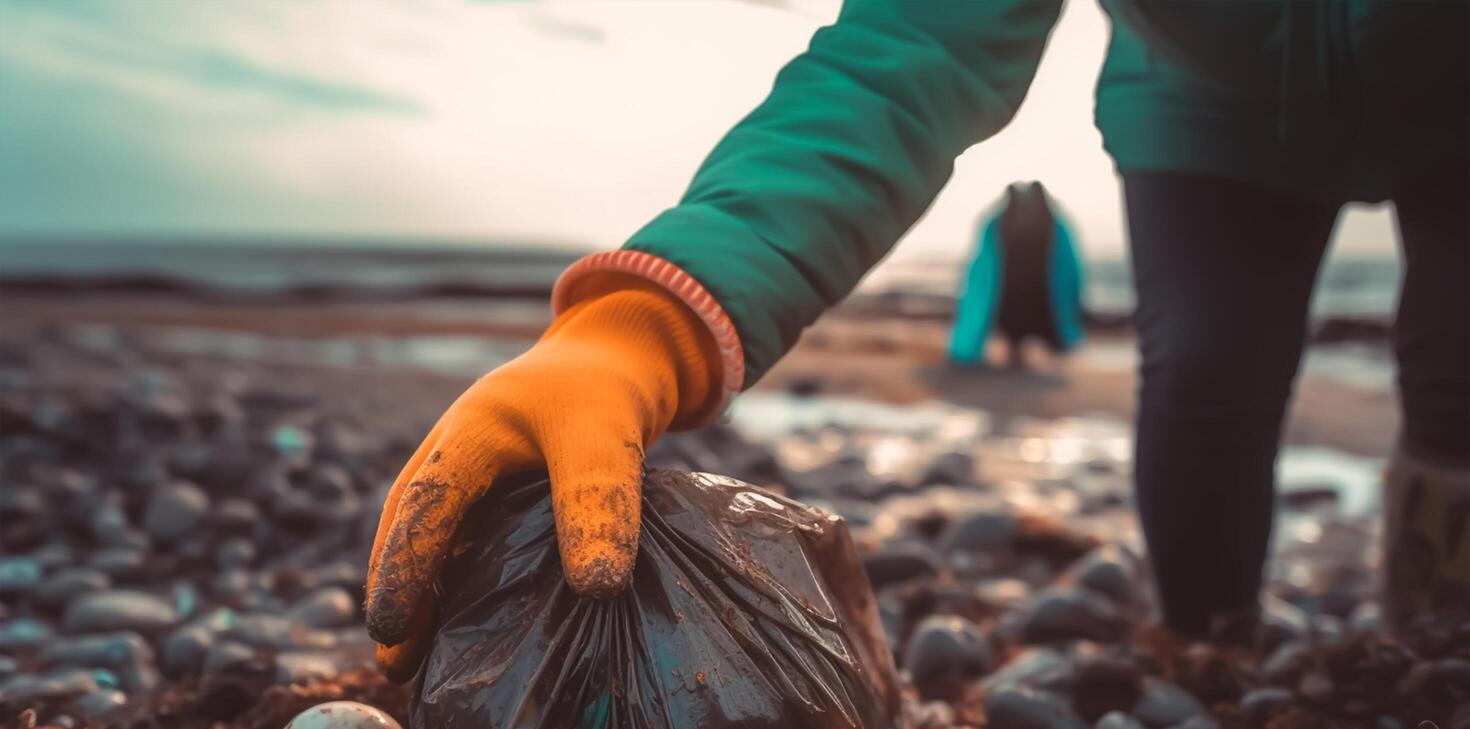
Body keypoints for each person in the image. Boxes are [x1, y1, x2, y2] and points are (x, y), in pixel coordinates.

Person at [365, 1, 1469, 680]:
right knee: (1207, 370)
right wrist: (645, 321)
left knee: (1457, 367)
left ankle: (1434, 646)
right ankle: (1209, 649)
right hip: (1209, 110)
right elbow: (902, 56)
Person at [949, 181, 1084, 369]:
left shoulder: (999, 221)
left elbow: (981, 265)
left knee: (1021, 324)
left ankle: (1017, 353)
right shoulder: (1051, 221)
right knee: (1023, 323)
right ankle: (1018, 353)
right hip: (1025, 291)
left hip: (1017, 291)